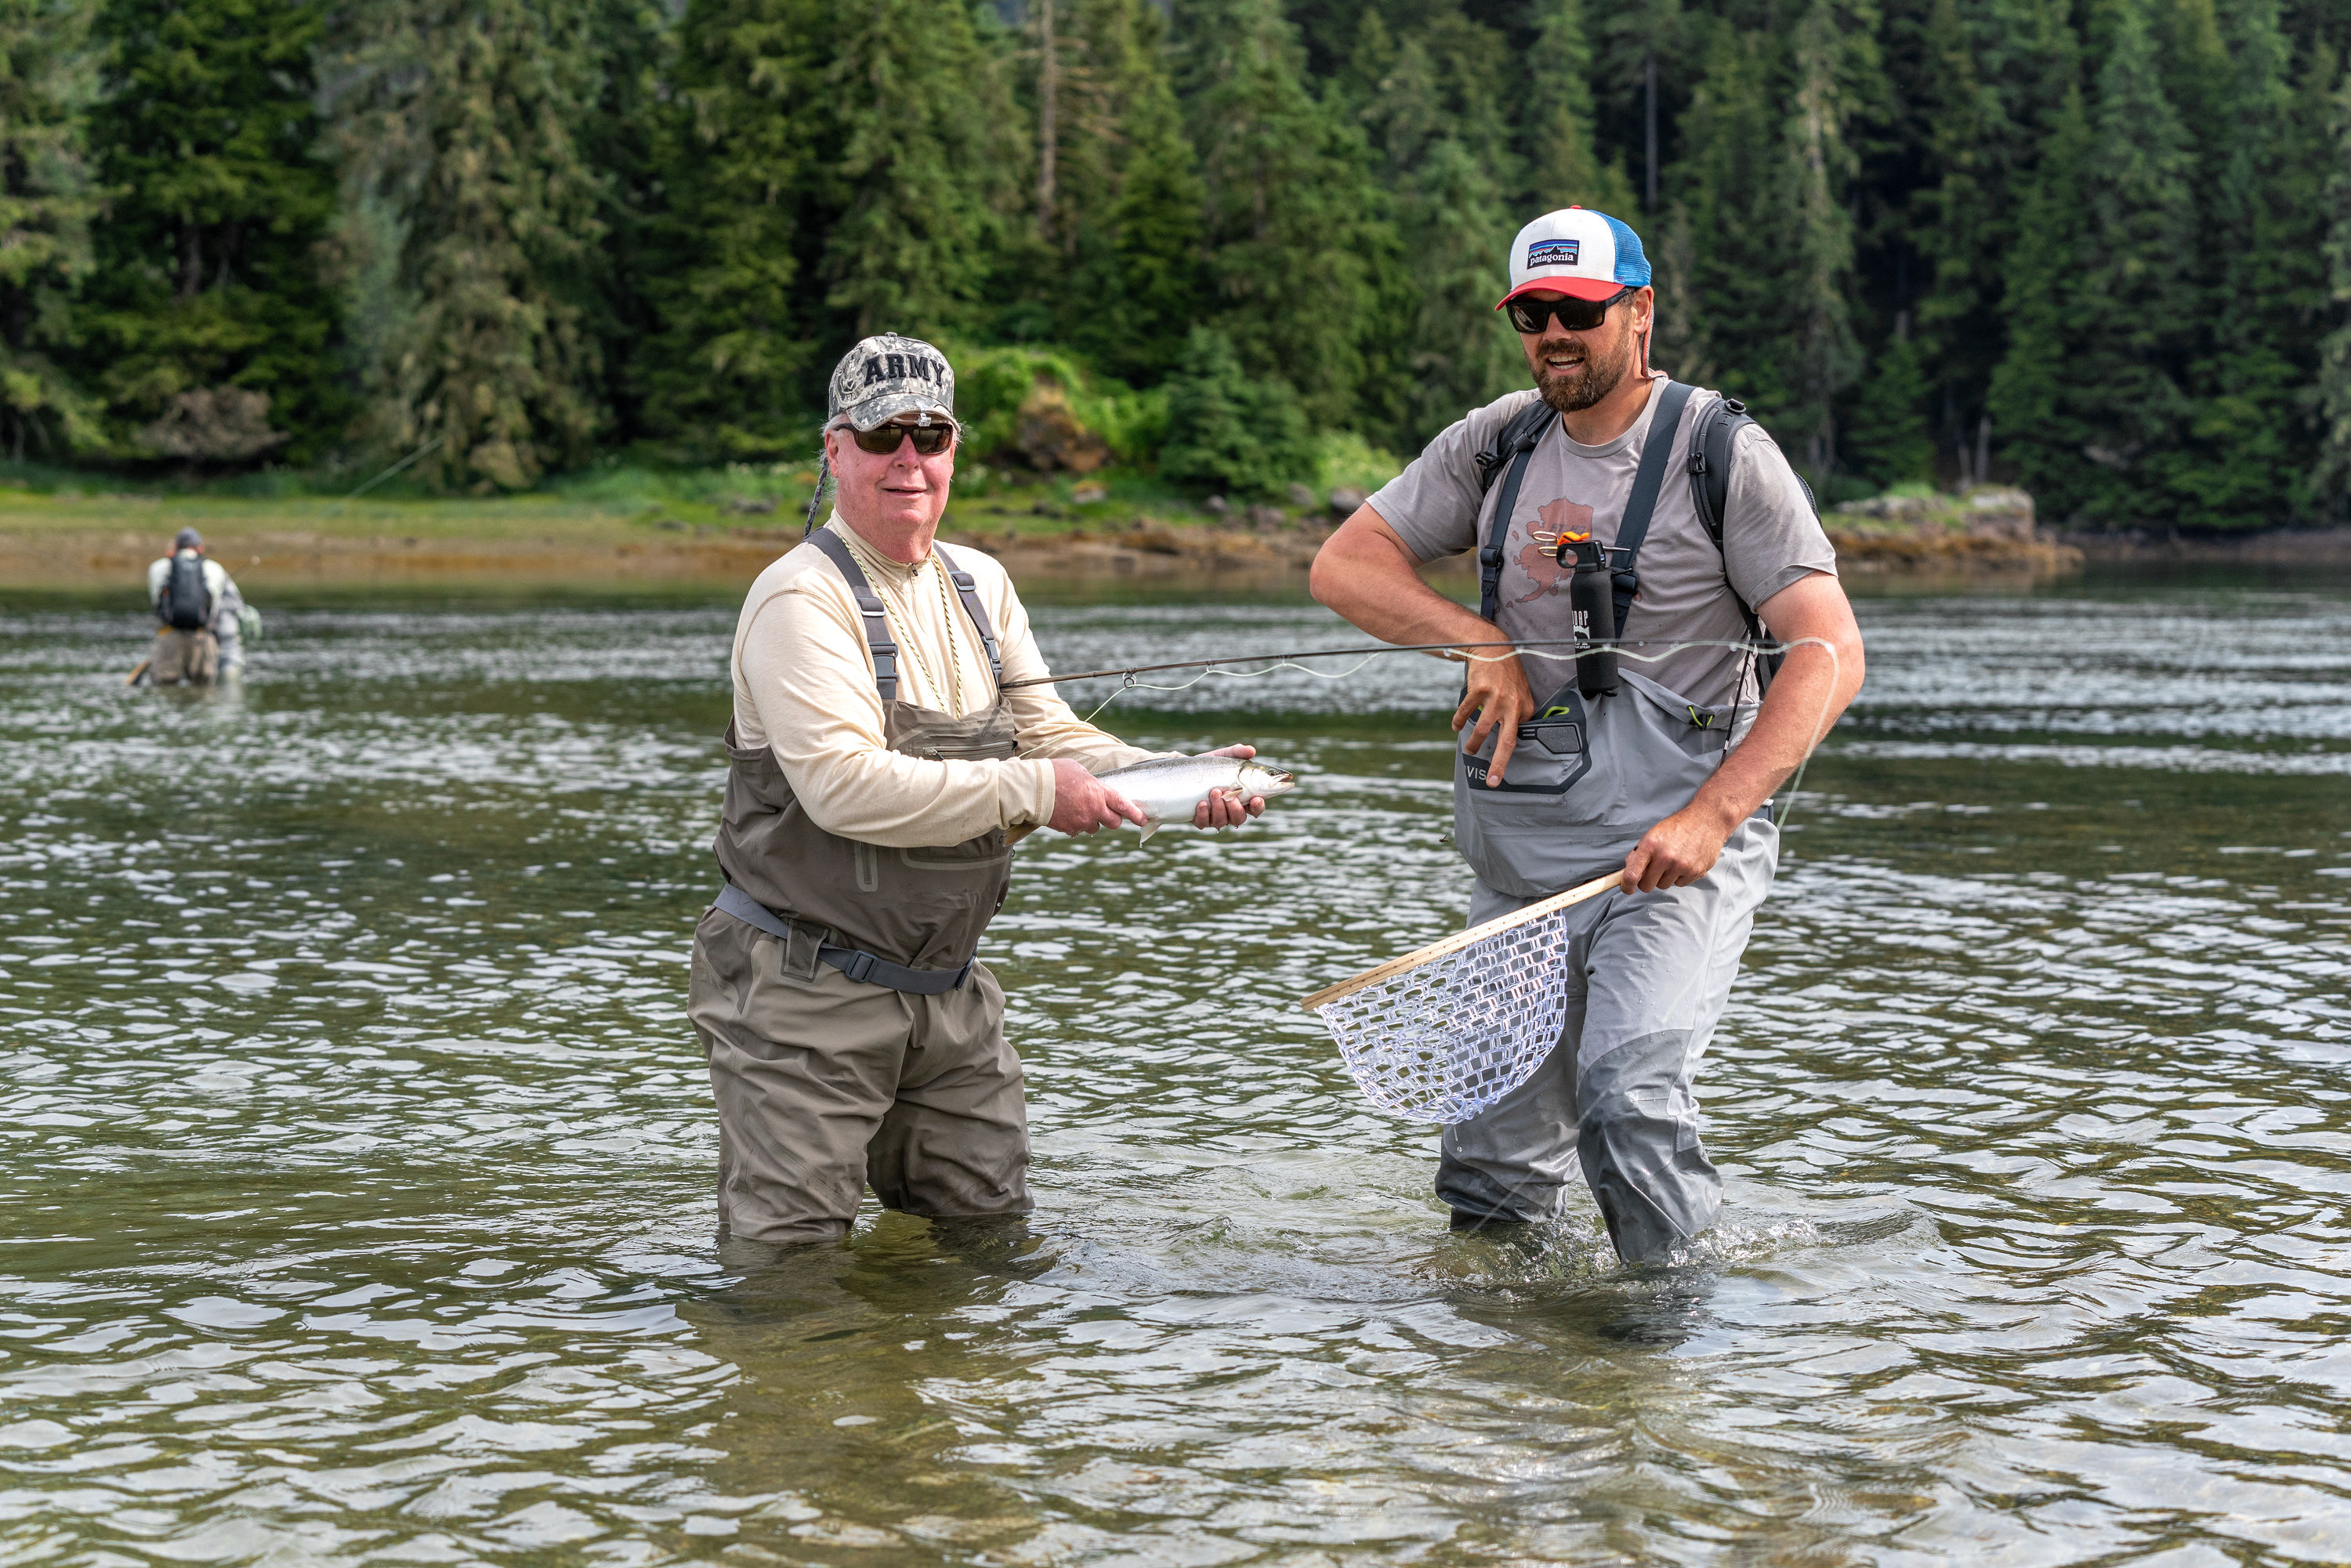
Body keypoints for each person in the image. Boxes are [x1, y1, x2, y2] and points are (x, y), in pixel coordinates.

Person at [1310, 207, 1868, 1263]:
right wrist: (1475, 638)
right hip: (1524, 867)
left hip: (1674, 858)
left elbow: (1830, 652)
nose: (1553, 333)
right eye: (1531, 313)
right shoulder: (1494, 441)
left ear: (1640, 312)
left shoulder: (1722, 453)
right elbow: (1344, 564)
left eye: (1578, 310)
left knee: (1628, 1101)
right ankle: (1506, 1370)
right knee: (1486, 1179)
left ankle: (1669, 1357)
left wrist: (1714, 816)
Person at [689, 334, 1267, 1248]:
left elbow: (1052, 736)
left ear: (956, 448)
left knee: (990, 1243)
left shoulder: (982, 584)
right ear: (836, 449)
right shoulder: (799, 598)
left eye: (931, 435)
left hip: (946, 987)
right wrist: (1041, 790)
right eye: (883, 439)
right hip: (800, 988)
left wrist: (1172, 780)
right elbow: (844, 789)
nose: (908, 461)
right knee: (787, 1272)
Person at [142, 527, 252, 683]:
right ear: (200, 548)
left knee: (166, 692)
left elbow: (156, 603)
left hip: (168, 638)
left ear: (175, 547)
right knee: (203, 693)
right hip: (203, 639)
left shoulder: (158, 567)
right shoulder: (215, 569)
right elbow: (220, 607)